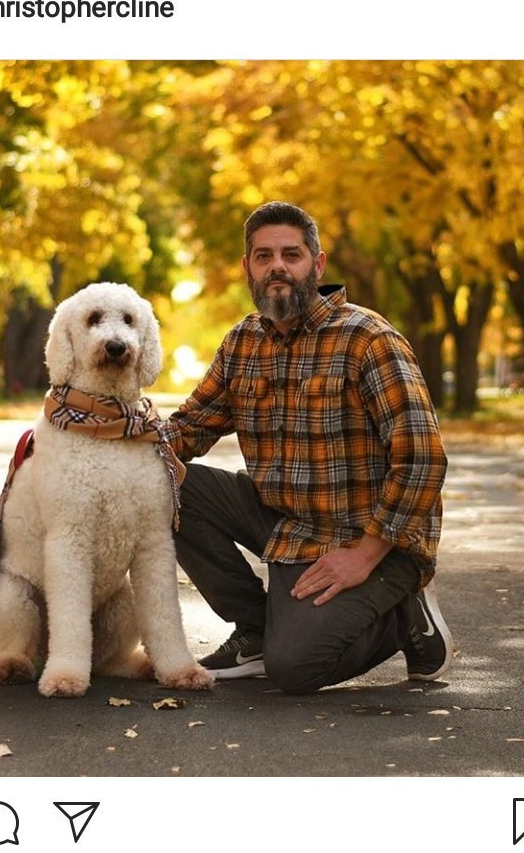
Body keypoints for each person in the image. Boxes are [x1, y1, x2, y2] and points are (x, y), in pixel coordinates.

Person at [163, 201, 453, 694]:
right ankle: (257, 630)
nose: (277, 266)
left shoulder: (367, 339)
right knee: (161, 478)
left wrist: (365, 554)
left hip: (366, 535)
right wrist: (106, 435)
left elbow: (422, 457)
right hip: (284, 519)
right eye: (263, 255)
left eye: (291, 254)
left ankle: (407, 612)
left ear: (316, 265)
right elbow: (189, 427)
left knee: (295, 668)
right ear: (248, 268)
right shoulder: (242, 342)